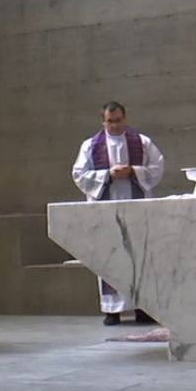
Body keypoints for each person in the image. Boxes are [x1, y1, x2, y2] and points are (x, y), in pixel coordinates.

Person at [72, 101, 165, 325]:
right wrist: (108, 176)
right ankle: (112, 310)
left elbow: (157, 168)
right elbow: (79, 175)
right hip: (107, 210)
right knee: (109, 255)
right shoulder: (90, 146)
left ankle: (142, 308)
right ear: (103, 121)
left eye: (118, 120)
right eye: (110, 121)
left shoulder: (142, 143)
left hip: (137, 208)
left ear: (125, 118)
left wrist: (133, 171)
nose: (114, 125)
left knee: (138, 256)